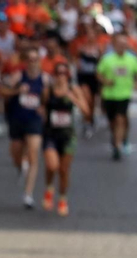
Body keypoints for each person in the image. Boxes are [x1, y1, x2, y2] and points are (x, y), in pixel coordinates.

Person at [42, 61, 92, 215]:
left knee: (64, 170)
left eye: (64, 73)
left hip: (68, 135)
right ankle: (49, 187)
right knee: (52, 166)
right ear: (54, 75)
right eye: (58, 73)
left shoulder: (73, 89)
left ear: (68, 76)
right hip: (50, 133)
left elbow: (86, 112)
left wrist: (74, 99)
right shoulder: (48, 90)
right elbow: (43, 108)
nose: (61, 77)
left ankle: (62, 198)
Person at [5, 46, 48, 208]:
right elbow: (3, 90)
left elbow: (47, 98)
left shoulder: (44, 79)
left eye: (35, 59)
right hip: (17, 118)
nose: (32, 63)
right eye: (29, 60)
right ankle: (19, 166)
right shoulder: (18, 76)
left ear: (39, 61)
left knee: (33, 154)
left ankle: (28, 194)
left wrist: (44, 107)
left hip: (34, 120)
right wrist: (17, 90)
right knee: (16, 151)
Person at [97, 32, 137, 157]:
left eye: (124, 44)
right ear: (114, 45)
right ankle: (117, 136)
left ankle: (117, 145)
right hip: (109, 95)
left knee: (120, 118)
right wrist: (106, 81)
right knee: (112, 121)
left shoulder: (132, 59)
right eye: (119, 44)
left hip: (124, 94)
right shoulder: (107, 59)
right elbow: (99, 74)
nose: (122, 46)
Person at [73, 21, 109, 136]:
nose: (90, 37)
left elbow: (103, 63)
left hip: (94, 76)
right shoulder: (81, 48)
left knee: (93, 100)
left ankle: (91, 118)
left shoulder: (99, 48)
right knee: (86, 98)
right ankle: (87, 120)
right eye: (88, 35)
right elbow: (76, 60)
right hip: (84, 76)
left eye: (92, 35)